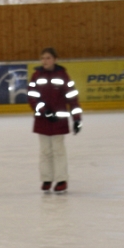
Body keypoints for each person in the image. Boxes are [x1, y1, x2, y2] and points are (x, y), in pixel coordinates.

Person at [26, 47, 83, 194]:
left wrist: (77, 119)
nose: (45, 61)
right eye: (43, 58)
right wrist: (44, 111)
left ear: (55, 60)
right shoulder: (36, 75)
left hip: (59, 121)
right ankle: (47, 179)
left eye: (48, 58)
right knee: (45, 151)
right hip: (43, 120)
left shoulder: (63, 75)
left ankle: (61, 180)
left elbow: (72, 98)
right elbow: (32, 97)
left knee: (58, 151)